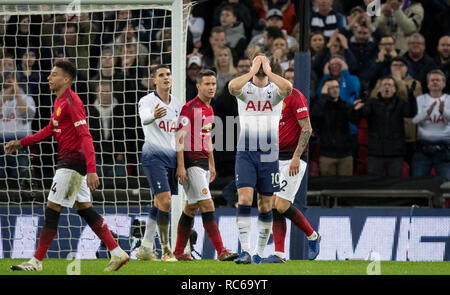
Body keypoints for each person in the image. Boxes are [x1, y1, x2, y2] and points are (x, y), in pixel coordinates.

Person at [6, 61, 129, 272]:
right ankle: (117, 252)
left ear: (66, 79)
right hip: (71, 162)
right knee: (85, 209)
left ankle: (36, 261)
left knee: (52, 208)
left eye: (54, 74)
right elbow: (49, 130)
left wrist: (92, 169)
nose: (48, 78)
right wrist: (21, 142)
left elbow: (86, 136)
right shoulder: (60, 101)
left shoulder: (72, 103)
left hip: (71, 163)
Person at [228, 53, 292, 264]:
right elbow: (231, 88)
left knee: (266, 205)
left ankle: (258, 252)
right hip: (246, 151)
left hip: (269, 154)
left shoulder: (275, 91)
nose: (262, 65)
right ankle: (245, 250)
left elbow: (288, 89)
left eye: (265, 62)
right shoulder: (246, 89)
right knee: (245, 199)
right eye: (258, 61)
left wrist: (270, 72)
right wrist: (252, 71)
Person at [173, 69, 238, 261]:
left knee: (191, 208)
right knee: (207, 204)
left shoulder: (209, 109)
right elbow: (179, 137)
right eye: (207, 84)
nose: (211, 87)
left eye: (213, 84)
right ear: (198, 86)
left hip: (203, 162)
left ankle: (178, 252)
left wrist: (212, 164)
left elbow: (207, 136)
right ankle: (221, 251)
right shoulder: (189, 108)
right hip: (191, 162)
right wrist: (181, 166)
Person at [266, 76, 321, 263]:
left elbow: (307, 128)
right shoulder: (271, 98)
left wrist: (297, 156)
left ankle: (313, 235)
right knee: (274, 205)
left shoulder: (296, 96)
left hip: (293, 158)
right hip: (274, 157)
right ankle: (279, 254)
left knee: (281, 205)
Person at [136, 64, 182, 262]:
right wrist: (154, 116)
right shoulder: (147, 101)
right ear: (154, 80)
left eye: (168, 74)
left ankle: (145, 247)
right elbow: (144, 119)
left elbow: (181, 135)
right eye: (161, 75)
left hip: (172, 158)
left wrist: (181, 164)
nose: (166, 78)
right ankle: (166, 250)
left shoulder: (178, 104)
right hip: (153, 156)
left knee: (159, 203)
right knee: (165, 201)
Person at [357, 76, 417, 176]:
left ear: (394, 89)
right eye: (384, 85)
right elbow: (363, 113)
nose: (387, 87)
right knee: (374, 184)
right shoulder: (372, 103)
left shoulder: (400, 103)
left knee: (394, 186)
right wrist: (364, 98)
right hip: (375, 153)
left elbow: (411, 113)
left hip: (395, 153)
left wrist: (411, 96)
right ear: (379, 88)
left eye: (390, 85)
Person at [311, 77, 362, 176]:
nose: (335, 89)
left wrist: (356, 111)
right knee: (327, 187)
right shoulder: (320, 105)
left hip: (345, 154)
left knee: (345, 187)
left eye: (337, 87)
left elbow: (355, 120)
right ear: (325, 90)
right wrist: (323, 97)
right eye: (331, 87)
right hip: (326, 154)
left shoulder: (346, 105)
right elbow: (315, 116)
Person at [412, 69, 450, 181]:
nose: (435, 82)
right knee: (418, 186)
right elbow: (414, 121)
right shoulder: (420, 99)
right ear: (428, 84)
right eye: (432, 80)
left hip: (444, 150)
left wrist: (444, 112)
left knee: (446, 187)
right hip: (422, 150)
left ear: (444, 84)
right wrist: (427, 113)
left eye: (438, 80)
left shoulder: (449, 99)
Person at [0, 71, 36, 183]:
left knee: (20, 179)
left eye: (13, 80)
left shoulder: (27, 99)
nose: (10, 83)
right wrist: (4, 97)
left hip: (21, 144)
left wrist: (18, 95)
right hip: (0, 144)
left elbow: (27, 117)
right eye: (7, 80)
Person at [87, 81, 126, 178]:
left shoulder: (122, 110)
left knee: (119, 182)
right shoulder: (89, 111)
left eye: (107, 91)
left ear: (112, 92)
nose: (104, 94)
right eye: (101, 92)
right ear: (96, 94)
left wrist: (121, 151)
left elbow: (126, 132)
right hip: (97, 156)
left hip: (117, 156)